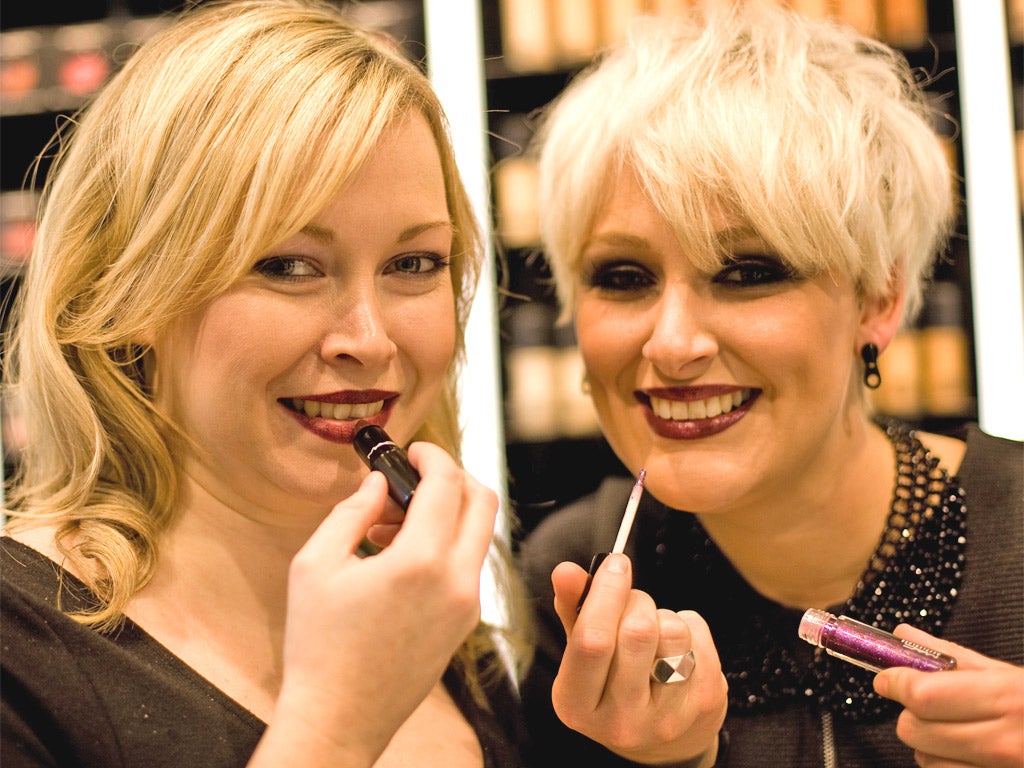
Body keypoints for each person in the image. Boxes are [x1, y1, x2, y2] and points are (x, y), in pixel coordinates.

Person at [0, 1, 532, 766]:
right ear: (130, 294)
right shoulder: (21, 654)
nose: (369, 340)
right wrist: (335, 728)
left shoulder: (442, 632)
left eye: (413, 265)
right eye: (288, 266)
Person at [516, 2, 1023, 767]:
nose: (674, 344)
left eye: (749, 272)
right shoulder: (573, 578)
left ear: (877, 300)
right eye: (623, 277)